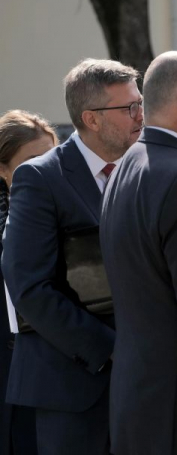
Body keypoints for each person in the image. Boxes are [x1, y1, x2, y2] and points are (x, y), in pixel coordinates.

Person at [2, 59, 142, 454]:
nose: (140, 116)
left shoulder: (147, 168)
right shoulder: (40, 178)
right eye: (127, 108)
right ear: (91, 119)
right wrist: (111, 348)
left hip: (148, 382)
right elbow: (29, 286)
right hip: (74, 387)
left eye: (140, 104)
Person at [0, 110, 58, 455]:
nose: (44, 169)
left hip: (52, 374)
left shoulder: (68, 213)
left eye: (51, 157)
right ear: (3, 170)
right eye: (32, 161)